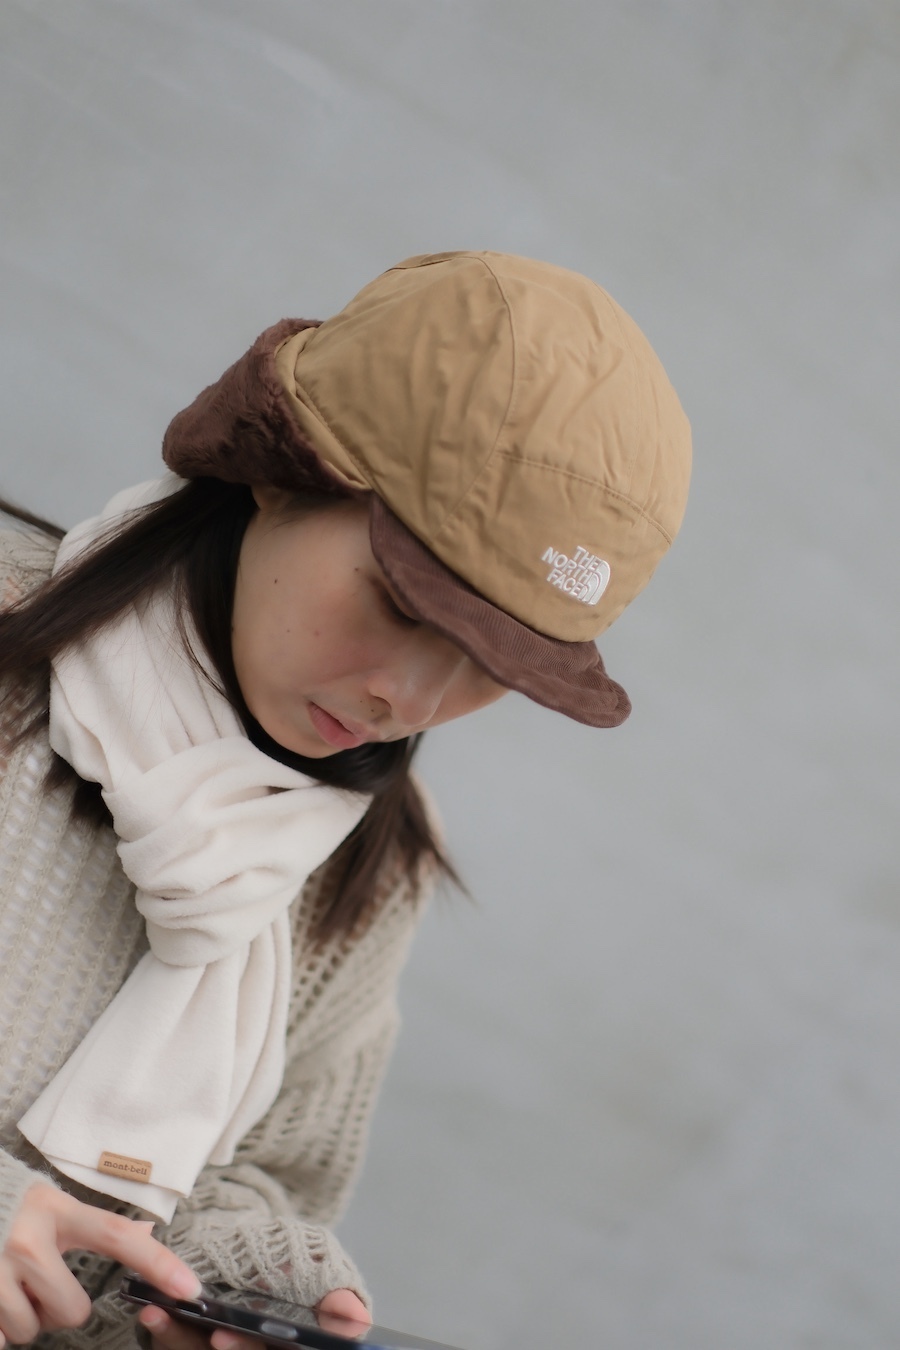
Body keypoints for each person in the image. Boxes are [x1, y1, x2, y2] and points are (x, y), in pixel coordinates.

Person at [0, 250, 691, 1349]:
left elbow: (256, 1174)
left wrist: (256, 1276)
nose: (407, 700)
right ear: (285, 467)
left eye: (492, 665)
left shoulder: (370, 871)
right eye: (401, 603)